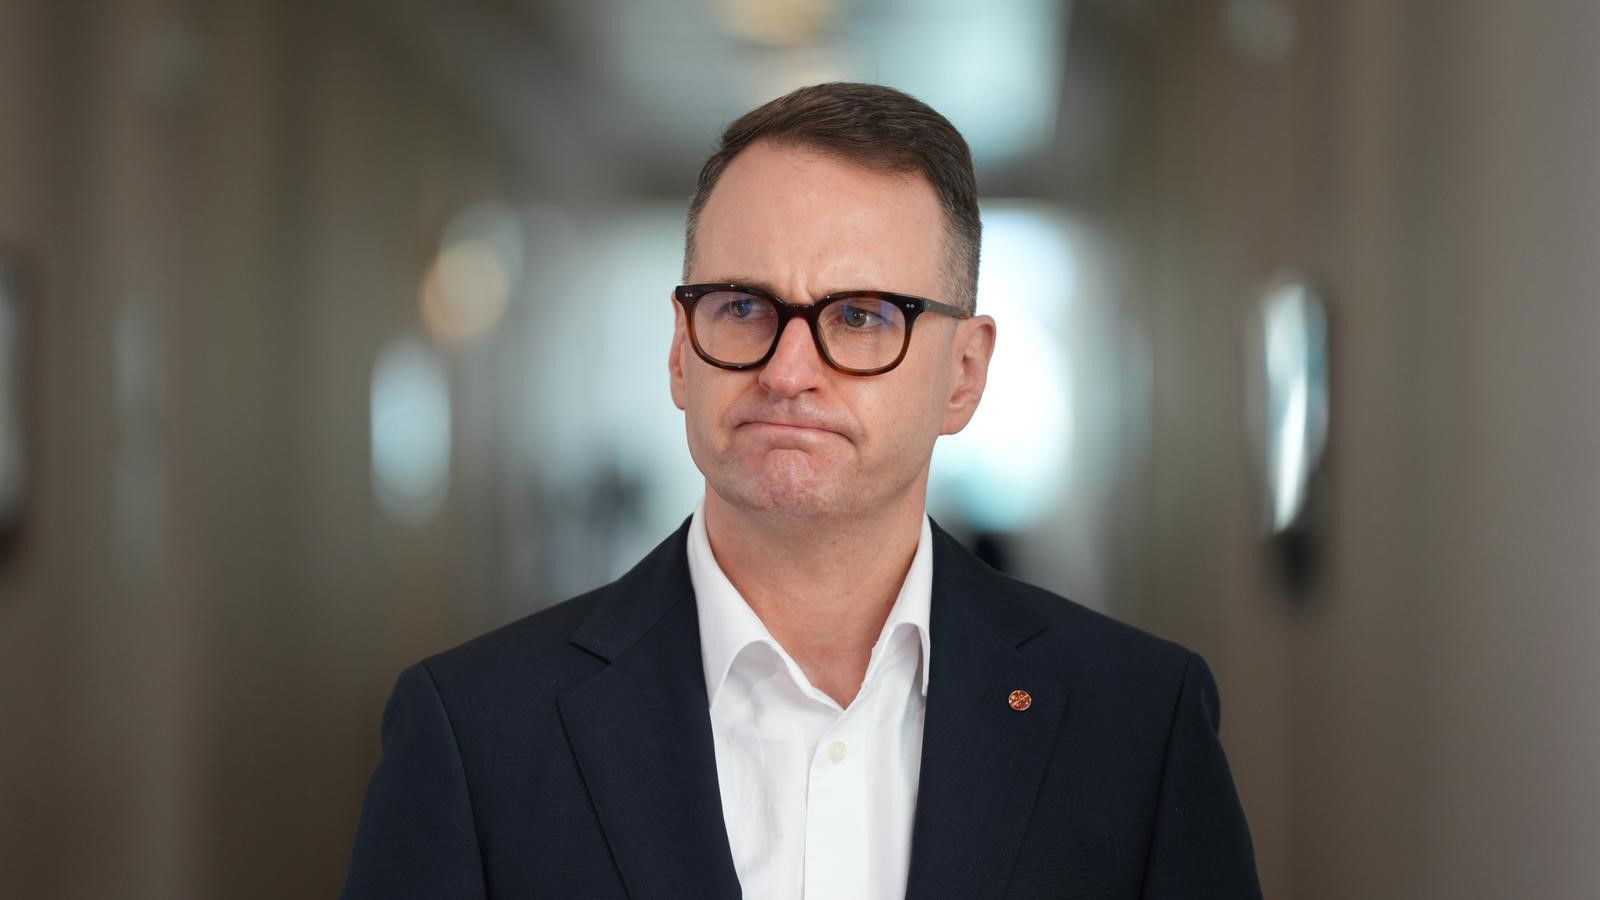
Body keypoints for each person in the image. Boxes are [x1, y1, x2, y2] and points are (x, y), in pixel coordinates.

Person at [341, 82, 1262, 899]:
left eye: (861, 316)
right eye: (741, 306)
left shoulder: (1138, 723)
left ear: (965, 374)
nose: (788, 371)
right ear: (679, 348)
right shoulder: (472, 732)